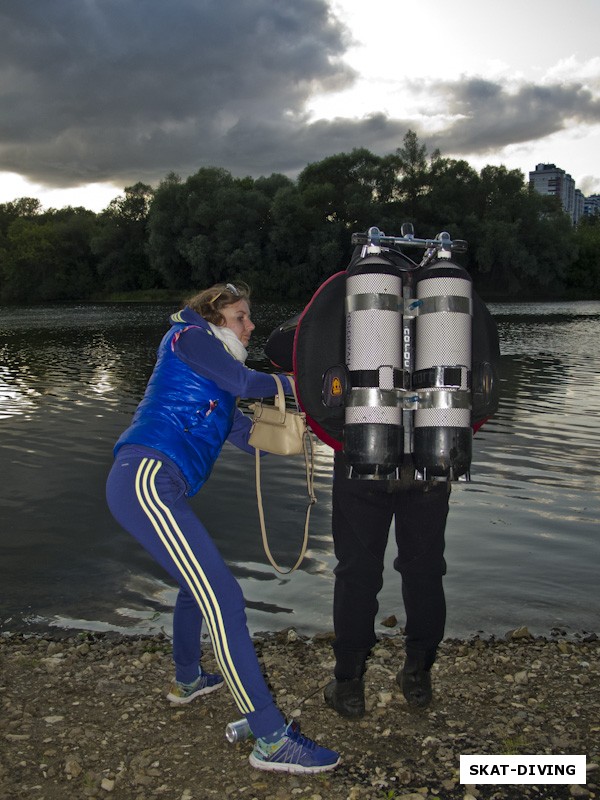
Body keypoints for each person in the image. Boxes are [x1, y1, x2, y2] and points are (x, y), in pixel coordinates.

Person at [106, 282, 340, 773]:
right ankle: (271, 739)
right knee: (226, 598)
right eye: (240, 317)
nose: (250, 326)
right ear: (213, 318)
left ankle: (188, 681)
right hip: (146, 479)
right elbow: (242, 381)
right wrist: (305, 383)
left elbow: (250, 437)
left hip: (152, 483)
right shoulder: (187, 339)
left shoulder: (214, 374)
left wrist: (308, 434)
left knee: (200, 586)